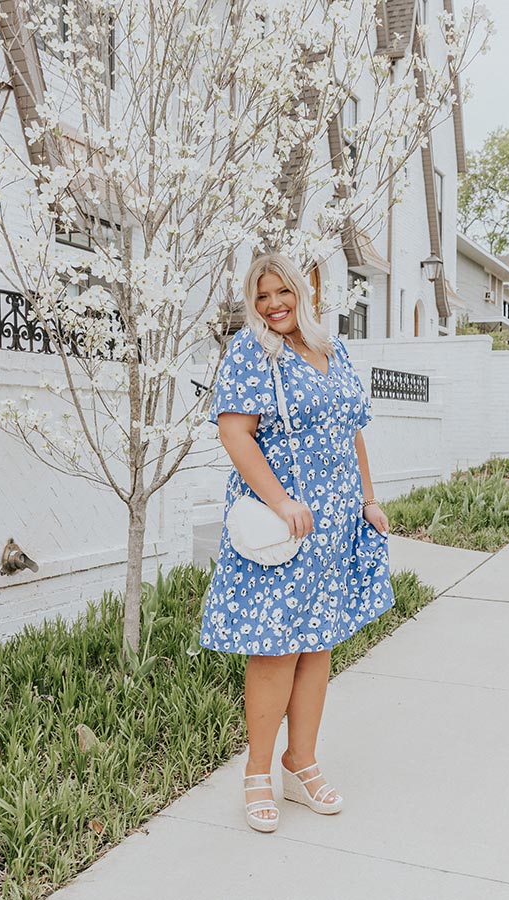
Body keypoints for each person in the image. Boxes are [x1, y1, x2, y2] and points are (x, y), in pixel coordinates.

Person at [199, 252, 394, 833]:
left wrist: (367, 498)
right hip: (283, 521)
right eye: (261, 296)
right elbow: (235, 433)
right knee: (276, 646)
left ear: (305, 292)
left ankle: (299, 762)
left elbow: (350, 430)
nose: (273, 304)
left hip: (336, 522)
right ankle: (257, 772)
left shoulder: (337, 351)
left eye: (282, 292)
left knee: (318, 643)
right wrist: (281, 502)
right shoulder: (253, 353)